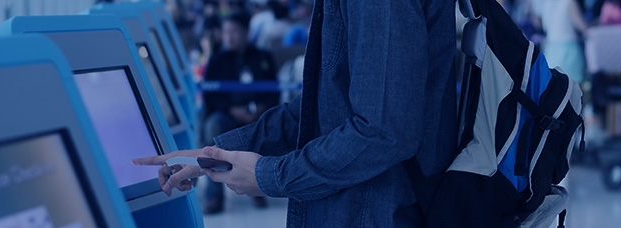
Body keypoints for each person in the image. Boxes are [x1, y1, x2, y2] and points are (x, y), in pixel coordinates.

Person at [133, 0, 457, 226]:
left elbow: (383, 130)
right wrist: (213, 154)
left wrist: (270, 175)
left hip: (375, 211)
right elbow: (323, 106)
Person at [199, 12, 280, 214]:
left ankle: (259, 187)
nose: (229, 36)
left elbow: (275, 91)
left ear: (246, 32)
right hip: (226, 115)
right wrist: (230, 109)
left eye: (234, 31)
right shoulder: (217, 61)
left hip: (257, 115)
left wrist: (261, 108)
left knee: (270, 125)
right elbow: (210, 96)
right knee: (213, 126)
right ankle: (214, 195)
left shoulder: (263, 58)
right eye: (226, 32)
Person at [542, 0, 589, 83]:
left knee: (555, 88)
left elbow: (544, 27)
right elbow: (582, 26)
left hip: (551, 51)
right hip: (568, 51)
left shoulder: (547, 4)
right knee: (574, 89)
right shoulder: (569, 2)